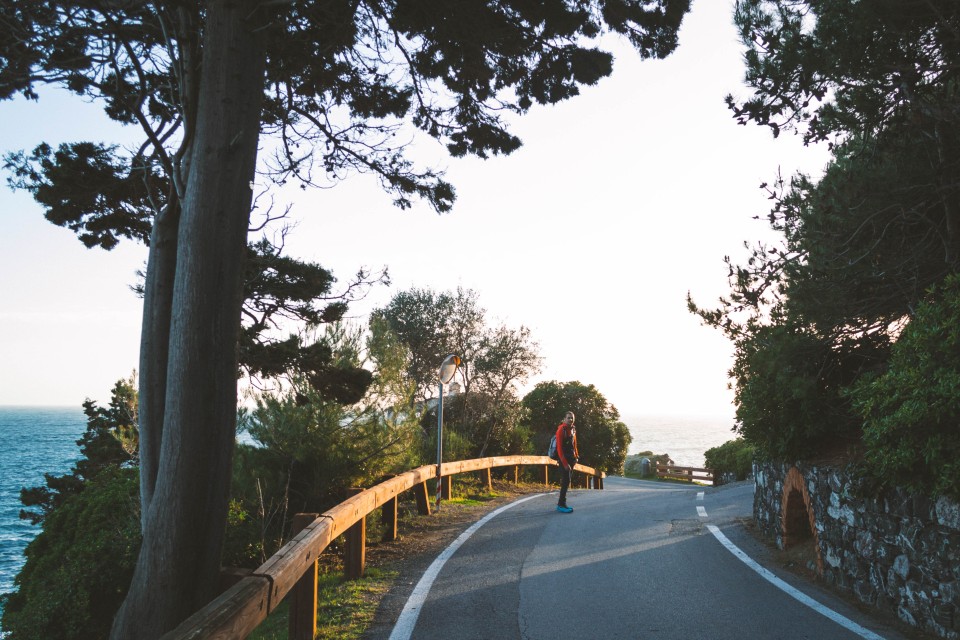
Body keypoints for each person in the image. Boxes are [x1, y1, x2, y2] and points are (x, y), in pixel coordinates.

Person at [555, 411, 579, 513]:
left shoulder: (573, 429)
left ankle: (562, 503)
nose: (570, 420)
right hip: (564, 460)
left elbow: (574, 444)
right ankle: (561, 504)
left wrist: (576, 456)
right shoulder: (561, 430)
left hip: (571, 459)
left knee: (567, 481)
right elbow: (559, 449)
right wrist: (565, 464)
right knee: (565, 482)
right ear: (564, 419)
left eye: (572, 418)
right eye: (568, 418)